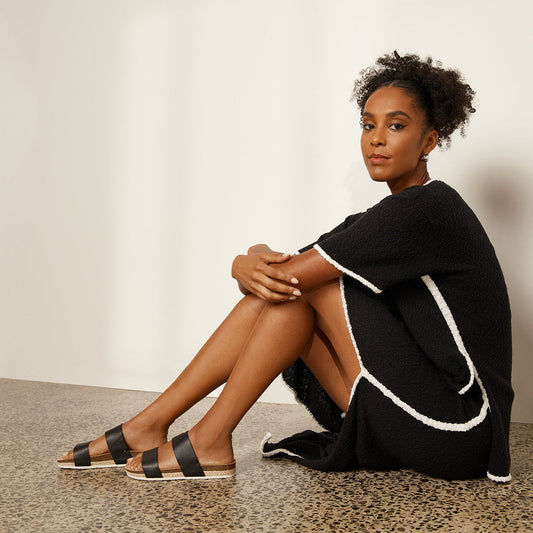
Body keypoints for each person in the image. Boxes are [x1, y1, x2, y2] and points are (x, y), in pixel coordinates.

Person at [58, 52, 513, 482]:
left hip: (462, 429)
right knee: (300, 288)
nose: (376, 138)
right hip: (412, 417)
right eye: (367, 124)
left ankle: (199, 435)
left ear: (429, 141)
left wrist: (245, 267)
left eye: (396, 125)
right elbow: (290, 262)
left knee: (306, 287)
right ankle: (157, 427)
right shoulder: (382, 219)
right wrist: (246, 259)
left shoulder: (428, 209)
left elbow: (295, 275)